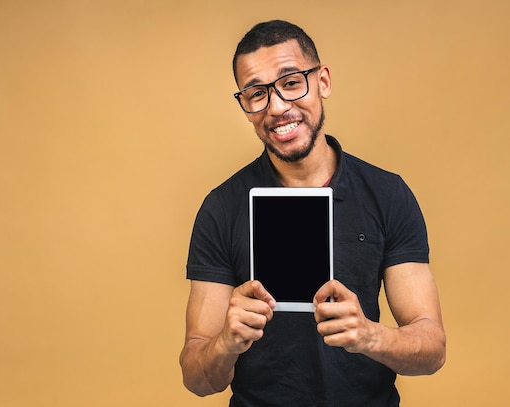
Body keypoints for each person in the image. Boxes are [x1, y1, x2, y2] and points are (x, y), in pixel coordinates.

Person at [179, 20, 446, 406]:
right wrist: (225, 343)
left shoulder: (388, 194)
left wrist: (370, 335)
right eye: (256, 93)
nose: (277, 107)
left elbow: (432, 349)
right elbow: (197, 378)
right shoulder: (221, 208)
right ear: (245, 105)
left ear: (322, 81)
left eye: (291, 83)